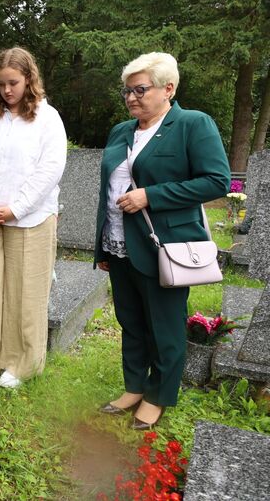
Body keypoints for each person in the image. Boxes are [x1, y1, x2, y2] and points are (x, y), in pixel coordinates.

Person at [94, 52, 230, 429]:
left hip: (164, 247)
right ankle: (135, 386)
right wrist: (103, 243)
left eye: (140, 90)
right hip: (119, 244)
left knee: (164, 325)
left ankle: (158, 395)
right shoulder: (121, 131)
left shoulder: (192, 124)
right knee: (131, 321)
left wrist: (151, 196)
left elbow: (216, 181)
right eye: (127, 91)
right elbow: (109, 191)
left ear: (168, 88)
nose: (131, 97)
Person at [0, 47, 67, 388]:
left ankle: (21, 363)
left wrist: (17, 208)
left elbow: (50, 169)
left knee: (25, 292)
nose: (7, 90)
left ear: (29, 79)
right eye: (1, 83)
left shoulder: (47, 119)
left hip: (29, 218)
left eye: (14, 83)